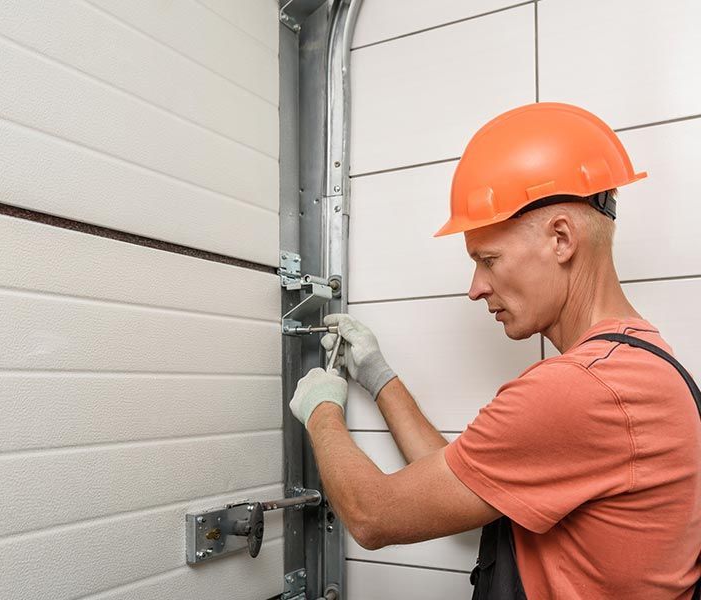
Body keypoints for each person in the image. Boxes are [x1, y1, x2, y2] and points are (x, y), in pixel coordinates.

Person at [289, 102, 701, 599]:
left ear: (562, 239)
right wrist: (379, 378)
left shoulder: (579, 390)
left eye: (488, 259)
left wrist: (321, 410)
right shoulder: (641, 365)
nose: (476, 287)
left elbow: (375, 515)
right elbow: (471, 476)